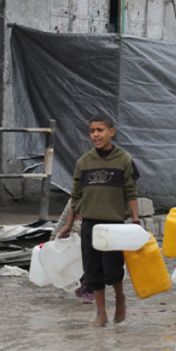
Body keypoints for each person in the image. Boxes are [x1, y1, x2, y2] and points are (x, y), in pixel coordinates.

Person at [58, 115, 139, 327]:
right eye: (92, 130)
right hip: (89, 224)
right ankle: (101, 313)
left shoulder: (123, 159)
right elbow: (75, 196)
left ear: (111, 132)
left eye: (100, 130)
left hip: (113, 225)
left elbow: (131, 191)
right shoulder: (84, 162)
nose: (96, 134)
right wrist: (68, 225)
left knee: (112, 269)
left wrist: (136, 219)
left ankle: (120, 298)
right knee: (93, 269)